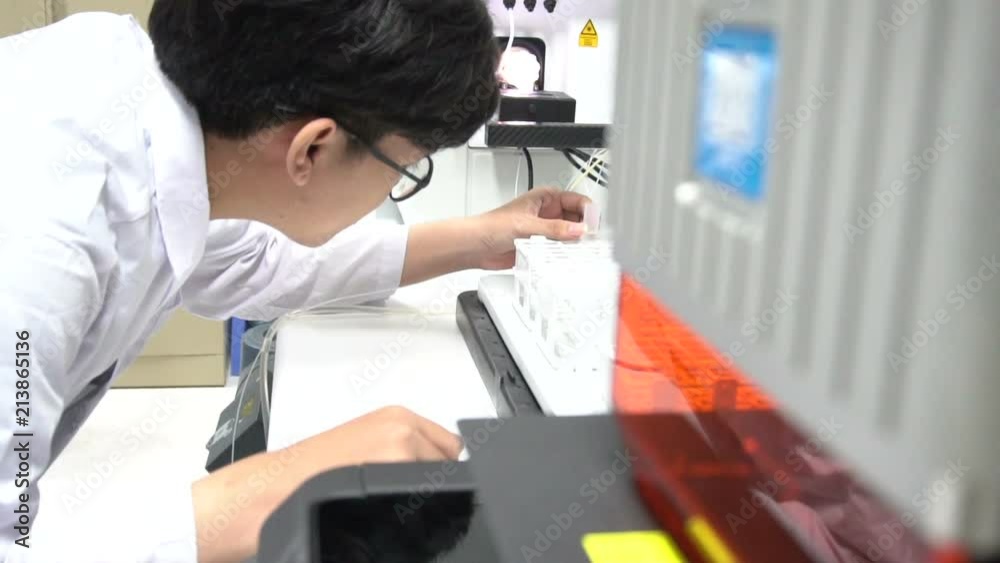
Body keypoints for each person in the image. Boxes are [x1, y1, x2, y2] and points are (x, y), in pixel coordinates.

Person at [0, 0, 589, 560]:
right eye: (405, 168)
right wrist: (273, 487)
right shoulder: (41, 258)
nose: (395, 186)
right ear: (311, 149)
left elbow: (256, 261)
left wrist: (476, 239)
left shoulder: (123, 88)